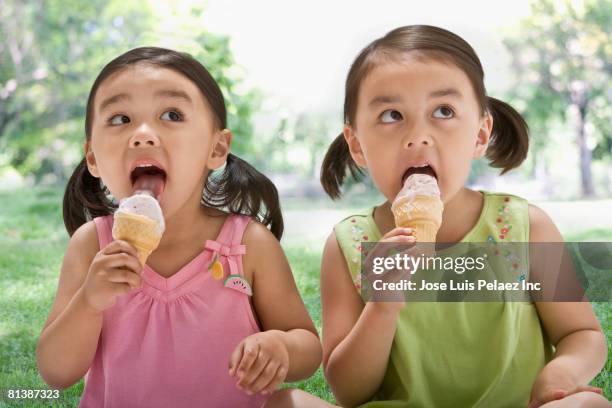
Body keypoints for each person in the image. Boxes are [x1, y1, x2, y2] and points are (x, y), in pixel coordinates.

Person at [319, 25, 609, 407]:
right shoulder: (350, 245)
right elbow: (348, 391)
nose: (418, 136)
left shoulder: (524, 226)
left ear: (480, 133)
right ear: (356, 144)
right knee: (287, 403)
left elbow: (582, 333)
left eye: (443, 111)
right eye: (392, 115)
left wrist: (560, 373)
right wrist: (382, 304)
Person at [36, 46, 330, 407]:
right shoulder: (92, 245)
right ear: (93, 157)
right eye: (119, 119)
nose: (143, 135)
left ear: (217, 148)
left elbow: (308, 346)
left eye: (171, 114)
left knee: (297, 403)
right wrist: (89, 302)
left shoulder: (248, 244)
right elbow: (55, 372)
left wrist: (281, 347)